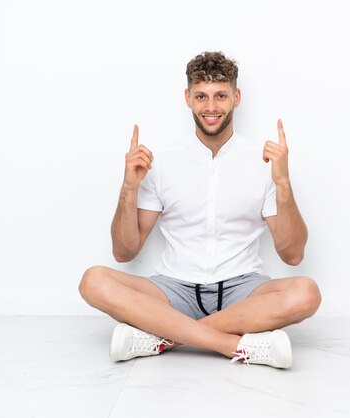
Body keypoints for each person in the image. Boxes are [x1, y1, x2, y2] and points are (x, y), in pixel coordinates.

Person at [79, 51, 321, 369]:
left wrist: (283, 182)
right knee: (93, 281)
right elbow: (124, 252)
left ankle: (162, 338)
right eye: (201, 96)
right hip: (172, 289)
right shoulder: (162, 162)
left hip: (243, 290)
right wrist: (129, 188)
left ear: (236, 97)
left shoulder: (263, 162)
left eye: (220, 96)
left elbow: (292, 255)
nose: (210, 107)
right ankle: (233, 345)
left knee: (306, 292)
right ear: (187, 98)